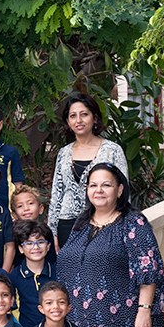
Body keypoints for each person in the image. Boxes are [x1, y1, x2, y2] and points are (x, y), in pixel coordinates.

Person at [56, 163, 164, 327]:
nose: (99, 190)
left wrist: (144, 311)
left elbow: (148, 269)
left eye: (106, 185)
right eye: (93, 185)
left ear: (119, 190)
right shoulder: (81, 224)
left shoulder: (133, 223)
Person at [48, 94, 129, 248]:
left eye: (84, 114)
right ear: (68, 122)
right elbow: (57, 194)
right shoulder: (64, 153)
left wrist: (122, 225)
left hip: (103, 222)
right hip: (66, 225)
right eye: (73, 116)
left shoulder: (112, 150)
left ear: (95, 118)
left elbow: (123, 191)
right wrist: (53, 231)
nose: (78, 120)